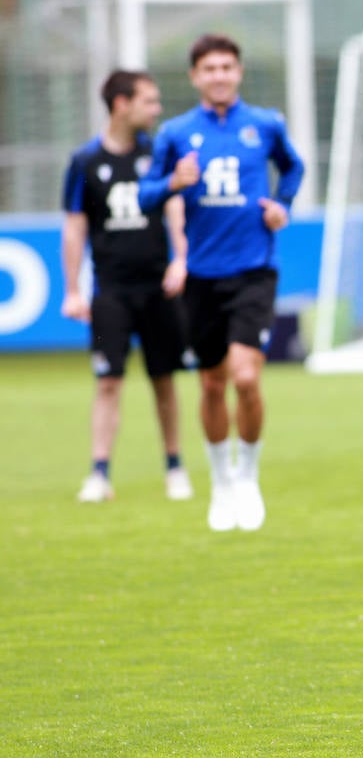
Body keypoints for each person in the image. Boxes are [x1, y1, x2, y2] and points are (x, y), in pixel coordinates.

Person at [139, 33, 305, 532]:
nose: (219, 75)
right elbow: (145, 195)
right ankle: (221, 482)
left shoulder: (265, 124)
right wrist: (173, 183)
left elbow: (292, 168)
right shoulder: (174, 134)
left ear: (238, 72)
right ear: (195, 76)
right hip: (201, 278)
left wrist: (283, 206)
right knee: (211, 383)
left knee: (247, 376)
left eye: (227, 67)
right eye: (209, 68)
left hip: (254, 270)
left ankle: (248, 478)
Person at [60, 70, 194, 504]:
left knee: (164, 378)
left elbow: (174, 207)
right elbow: (74, 228)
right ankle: (99, 473)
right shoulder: (84, 163)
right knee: (107, 380)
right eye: (149, 102)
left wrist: (180, 259)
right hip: (110, 294)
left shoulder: (157, 154)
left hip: (159, 290)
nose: (156, 110)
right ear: (122, 104)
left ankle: (175, 467)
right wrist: (73, 290)